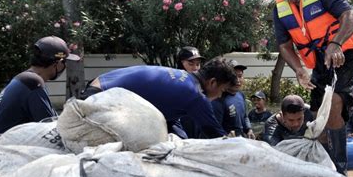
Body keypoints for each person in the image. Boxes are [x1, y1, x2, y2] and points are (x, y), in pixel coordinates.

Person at [263, 0, 353, 174]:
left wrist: (336, 43)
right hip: (319, 62)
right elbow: (284, 46)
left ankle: (340, 170)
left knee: (335, 103)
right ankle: (322, 165)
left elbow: (350, 16)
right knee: (319, 115)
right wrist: (299, 69)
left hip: (347, 53)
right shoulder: (279, 8)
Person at [80, 57, 237, 138]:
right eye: (222, 90)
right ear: (213, 82)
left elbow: (170, 122)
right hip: (101, 99)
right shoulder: (195, 95)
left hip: (98, 86)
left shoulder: (183, 78)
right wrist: (230, 141)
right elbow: (214, 134)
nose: (220, 96)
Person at [0, 36, 80, 145]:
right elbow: (50, 126)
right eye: (65, 62)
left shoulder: (24, 79)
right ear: (57, 63)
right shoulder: (32, 82)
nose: (65, 66)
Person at [212, 60, 255, 139]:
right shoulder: (218, 99)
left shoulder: (240, 95)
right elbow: (214, 129)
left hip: (241, 139)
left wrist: (249, 129)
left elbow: (245, 116)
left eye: (240, 76)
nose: (237, 80)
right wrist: (226, 137)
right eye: (234, 76)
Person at [176, 46, 205, 138]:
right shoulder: (174, 82)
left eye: (198, 64)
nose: (195, 68)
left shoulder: (200, 83)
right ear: (181, 63)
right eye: (191, 64)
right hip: (181, 128)